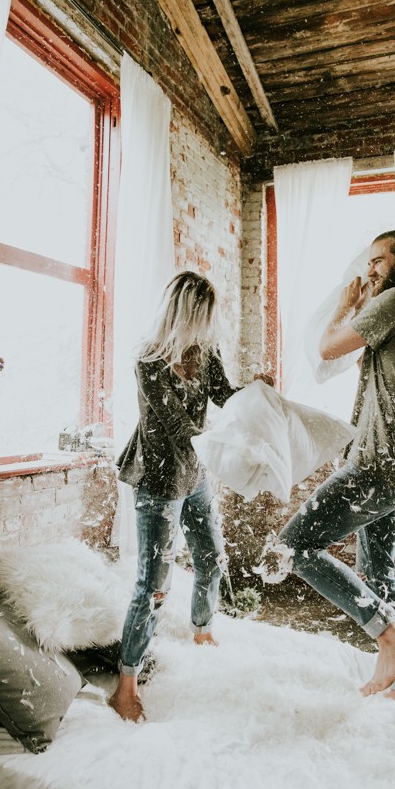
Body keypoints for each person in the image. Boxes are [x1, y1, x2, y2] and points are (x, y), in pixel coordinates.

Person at [279, 228, 395, 703]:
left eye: (377, 261)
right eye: (368, 263)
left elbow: (328, 348)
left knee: (295, 546)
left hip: (381, 464)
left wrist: (347, 305)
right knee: (378, 572)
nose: (368, 270)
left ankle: (392, 639)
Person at [110, 271, 270, 722]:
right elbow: (175, 425)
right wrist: (224, 444)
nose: (209, 325)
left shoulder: (206, 352)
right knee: (154, 584)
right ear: (186, 313)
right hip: (159, 480)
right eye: (204, 316)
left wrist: (255, 391)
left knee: (212, 558)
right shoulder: (148, 359)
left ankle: (201, 631)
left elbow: (225, 395)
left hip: (194, 474)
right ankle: (127, 682)